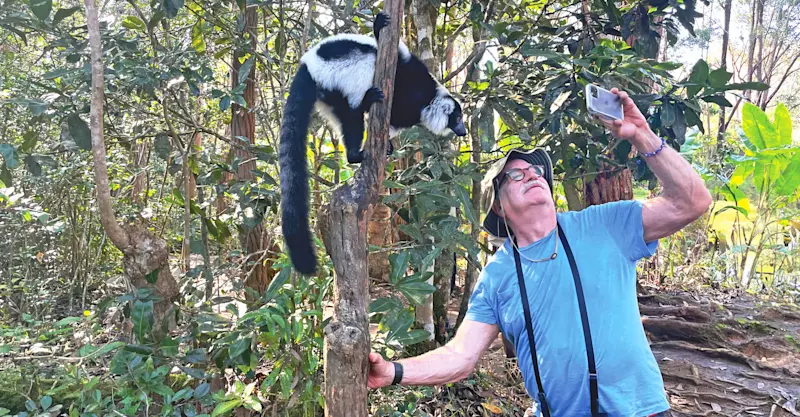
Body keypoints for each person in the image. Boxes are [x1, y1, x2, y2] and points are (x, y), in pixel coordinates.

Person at [367, 88, 712, 416]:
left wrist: (641, 135)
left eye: (536, 171)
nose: (532, 175)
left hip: (640, 411)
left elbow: (692, 202)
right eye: (516, 175)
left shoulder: (604, 224)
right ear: (498, 206)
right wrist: (393, 372)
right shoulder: (498, 275)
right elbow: (460, 355)